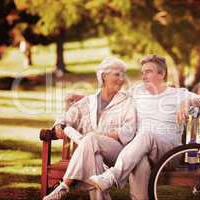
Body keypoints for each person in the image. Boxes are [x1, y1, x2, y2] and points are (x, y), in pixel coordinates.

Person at [89, 55, 200, 200]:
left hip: (169, 153)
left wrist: (188, 101)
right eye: (142, 72)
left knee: (146, 135)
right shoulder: (136, 92)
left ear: (161, 74)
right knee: (141, 159)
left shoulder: (179, 94)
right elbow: (108, 96)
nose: (143, 76)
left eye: (148, 72)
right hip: (141, 150)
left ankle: (112, 176)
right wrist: (81, 98)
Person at [43, 57, 137, 200]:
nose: (121, 79)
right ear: (104, 76)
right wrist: (58, 124)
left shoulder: (127, 100)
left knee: (91, 138)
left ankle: (64, 185)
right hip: (92, 151)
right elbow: (67, 117)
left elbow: (129, 129)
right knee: (95, 158)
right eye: (117, 74)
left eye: (123, 75)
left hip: (118, 153)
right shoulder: (89, 102)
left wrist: (105, 136)